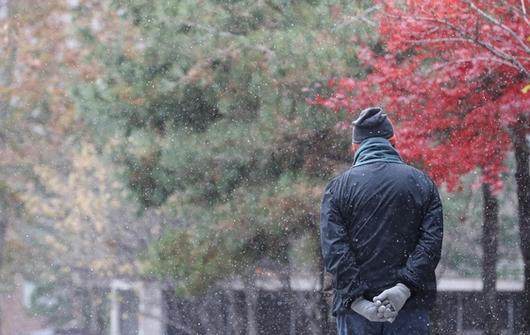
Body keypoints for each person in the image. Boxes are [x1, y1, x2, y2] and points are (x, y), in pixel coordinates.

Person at [319, 107, 443, 334]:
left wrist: (359, 301)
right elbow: (430, 245)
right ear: (393, 141)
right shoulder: (422, 184)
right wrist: (403, 289)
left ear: (355, 147)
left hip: (356, 315)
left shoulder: (338, 189)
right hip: (410, 309)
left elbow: (335, 251)